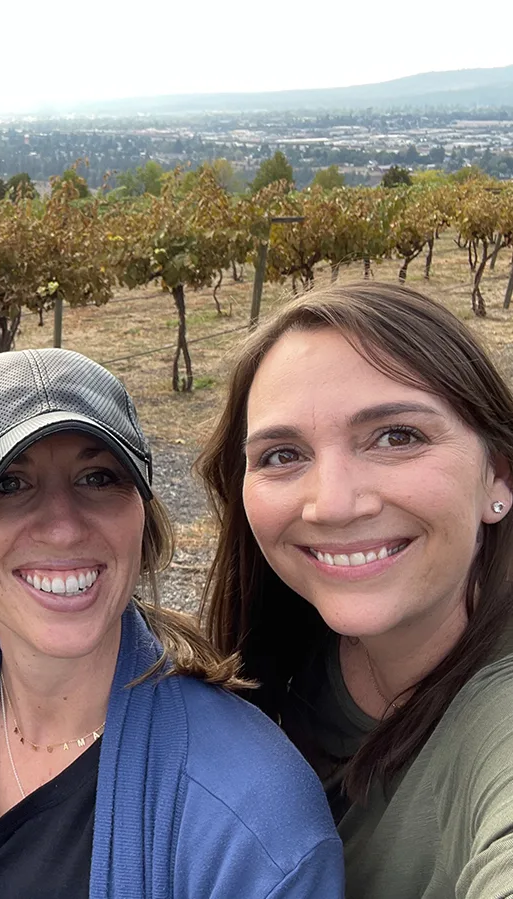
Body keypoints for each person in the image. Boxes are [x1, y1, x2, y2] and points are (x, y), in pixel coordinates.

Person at [0, 347, 343, 898]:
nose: (62, 529)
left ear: (142, 516)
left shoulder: (253, 817)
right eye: (8, 484)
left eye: (98, 478)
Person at [198, 281, 513, 898]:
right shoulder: (282, 655)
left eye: (397, 436)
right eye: (283, 454)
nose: (334, 503)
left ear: (498, 473)